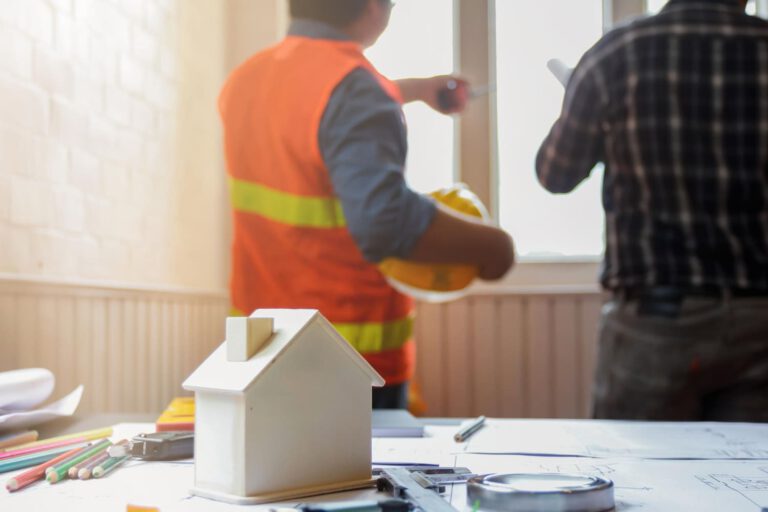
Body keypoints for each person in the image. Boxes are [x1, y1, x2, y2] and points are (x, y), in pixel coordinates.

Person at [219, 0, 514, 409]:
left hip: (258, 352)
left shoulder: (246, 78)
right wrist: (495, 246)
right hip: (347, 361)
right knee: (353, 477)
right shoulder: (356, 87)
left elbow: (320, 113)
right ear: (374, 7)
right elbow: (384, 222)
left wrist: (413, 89)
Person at [536, 0, 768, 421]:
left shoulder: (616, 53)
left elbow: (555, 173)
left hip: (655, 322)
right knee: (755, 484)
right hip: (761, 322)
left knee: (639, 481)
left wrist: (587, 105)